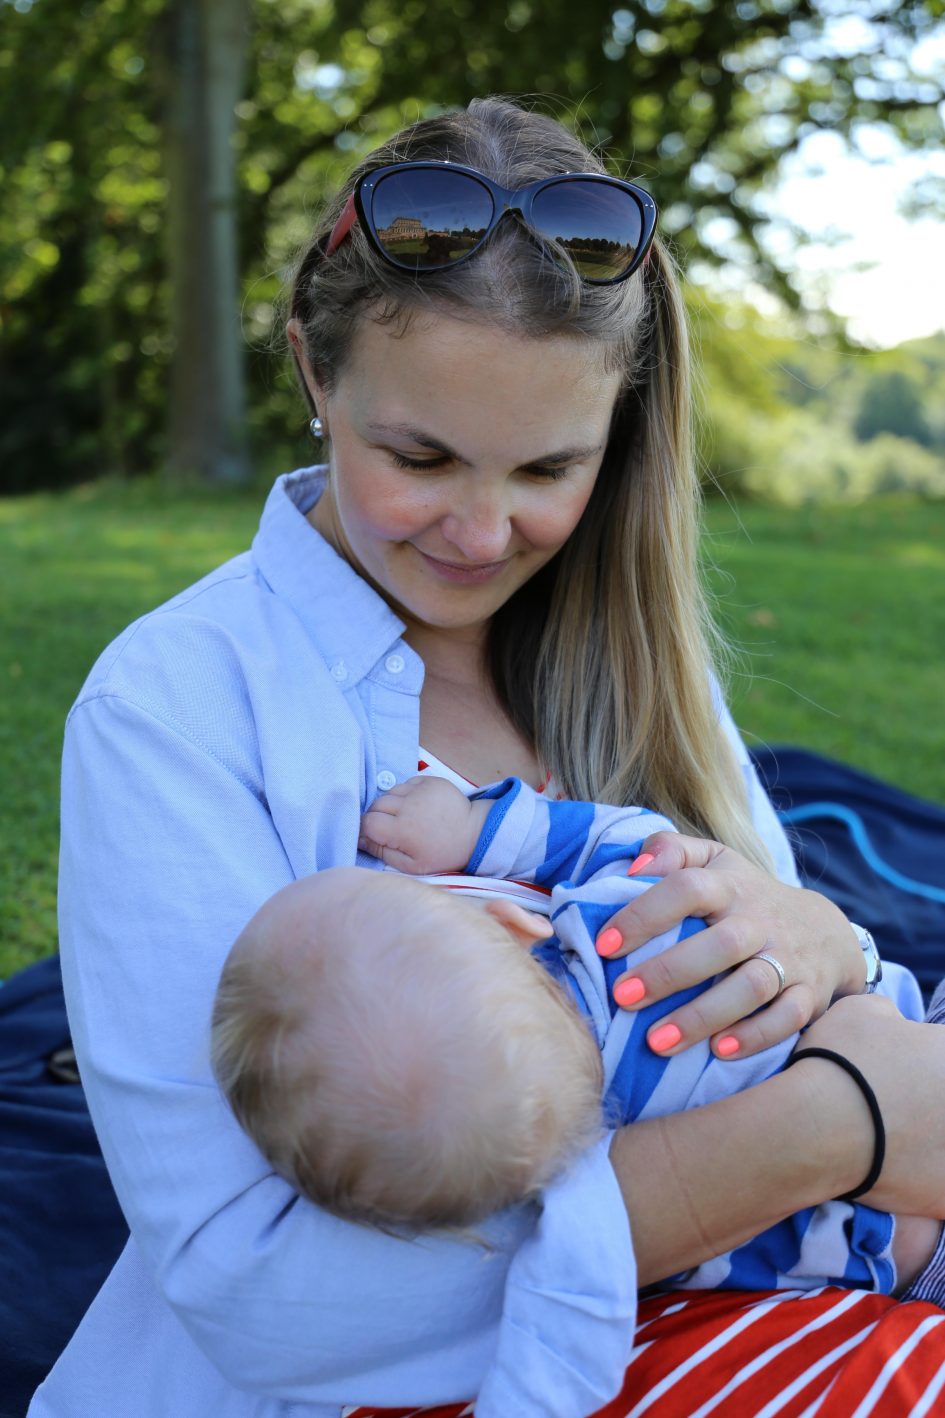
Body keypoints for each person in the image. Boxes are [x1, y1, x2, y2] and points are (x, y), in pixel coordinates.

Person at [31, 95, 945, 1418]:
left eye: (545, 470)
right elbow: (259, 1296)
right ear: (312, 371)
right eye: (419, 455)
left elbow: (789, 983)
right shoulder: (175, 705)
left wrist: (825, 946)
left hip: (768, 1313)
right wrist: (826, 1134)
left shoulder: (635, 668)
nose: (478, 529)